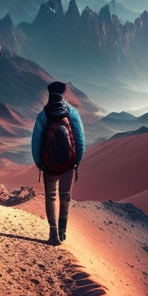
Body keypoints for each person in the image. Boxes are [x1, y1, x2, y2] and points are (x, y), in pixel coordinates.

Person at [31, 81, 85, 246]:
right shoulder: (73, 113)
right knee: (65, 196)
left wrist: (40, 163)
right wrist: (76, 161)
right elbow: (80, 139)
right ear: (63, 93)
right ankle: (63, 231)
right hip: (68, 164)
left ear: (49, 94)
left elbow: (36, 142)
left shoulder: (43, 114)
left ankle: (53, 234)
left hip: (49, 166)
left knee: (51, 196)